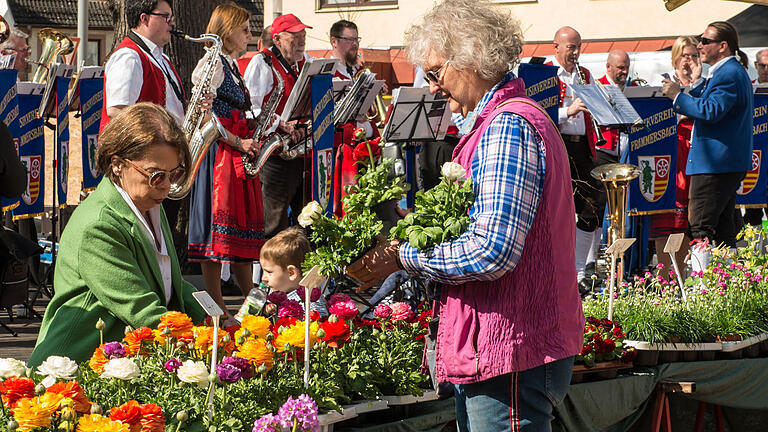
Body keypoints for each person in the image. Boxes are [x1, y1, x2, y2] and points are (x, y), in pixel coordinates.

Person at [347, 1, 584, 429]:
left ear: (473, 58)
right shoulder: (498, 122)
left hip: (511, 346)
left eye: (436, 72)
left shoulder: (507, 126)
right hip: (499, 345)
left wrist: (402, 257)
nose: (433, 87)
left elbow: (491, 251)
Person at [28, 103, 206, 366]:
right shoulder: (98, 225)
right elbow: (142, 310)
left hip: (120, 364)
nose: (167, 185)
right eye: (156, 175)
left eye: (175, 173)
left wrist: (217, 317)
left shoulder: (148, 203)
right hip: (74, 369)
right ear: (118, 165)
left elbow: (171, 285)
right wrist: (209, 341)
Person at [187, 3, 265, 318]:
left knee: (240, 233)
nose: (249, 34)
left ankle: (252, 300)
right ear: (228, 30)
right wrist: (237, 141)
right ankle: (218, 307)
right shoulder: (212, 64)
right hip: (218, 156)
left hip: (236, 153)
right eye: (244, 29)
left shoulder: (231, 64)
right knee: (215, 233)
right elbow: (204, 115)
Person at [662, 22, 753, 267]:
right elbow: (713, 101)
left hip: (715, 163)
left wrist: (677, 95)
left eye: (705, 41)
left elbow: (711, 110)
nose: (700, 45)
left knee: (700, 226)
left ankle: (702, 289)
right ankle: (728, 285)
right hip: (722, 161)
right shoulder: (728, 71)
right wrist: (696, 82)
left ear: (722, 46)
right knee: (724, 227)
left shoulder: (729, 73)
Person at [243, 14, 311, 238]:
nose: (301, 41)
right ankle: (269, 272)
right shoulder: (261, 62)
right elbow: (250, 109)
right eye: (294, 37)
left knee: (309, 220)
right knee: (274, 224)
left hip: (302, 153)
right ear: (278, 39)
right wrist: (280, 123)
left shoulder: (306, 62)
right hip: (275, 156)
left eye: (303, 36)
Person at [550, 26, 602, 293]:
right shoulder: (547, 74)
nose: (576, 52)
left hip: (583, 147)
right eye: (570, 47)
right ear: (556, 47)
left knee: (592, 205)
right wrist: (568, 111)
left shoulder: (585, 75)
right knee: (561, 210)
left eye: (578, 46)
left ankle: (580, 270)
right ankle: (561, 273)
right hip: (559, 147)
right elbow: (539, 111)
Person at [650, 36, 700, 278]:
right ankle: (664, 277)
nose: (688, 61)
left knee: (690, 223)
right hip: (673, 155)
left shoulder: (703, 85)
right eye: (684, 56)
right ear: (675, 58)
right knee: (668, 220)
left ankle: (681, 278)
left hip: (698, 155)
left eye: (693, 55)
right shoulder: (665, 84)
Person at [100, 0, 185, 130]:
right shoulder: (128, 57)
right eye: (166, 17)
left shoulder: (162, 59)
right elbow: (117, 112)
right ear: (144, 19)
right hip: (141, 149)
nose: (171, 22)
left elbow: (168, 104)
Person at [260, 226, 327, 316]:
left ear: (291, 273)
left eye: (269, 272)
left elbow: (317, 325)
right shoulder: (274, 292)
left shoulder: (311, 303)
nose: (263, 278)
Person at [743, 48, 768, 227]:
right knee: (752, 213)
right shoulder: (748, 89)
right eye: (762, 65)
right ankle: (754, 253)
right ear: (755, 66)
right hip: (753, 157)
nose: (766, 69)